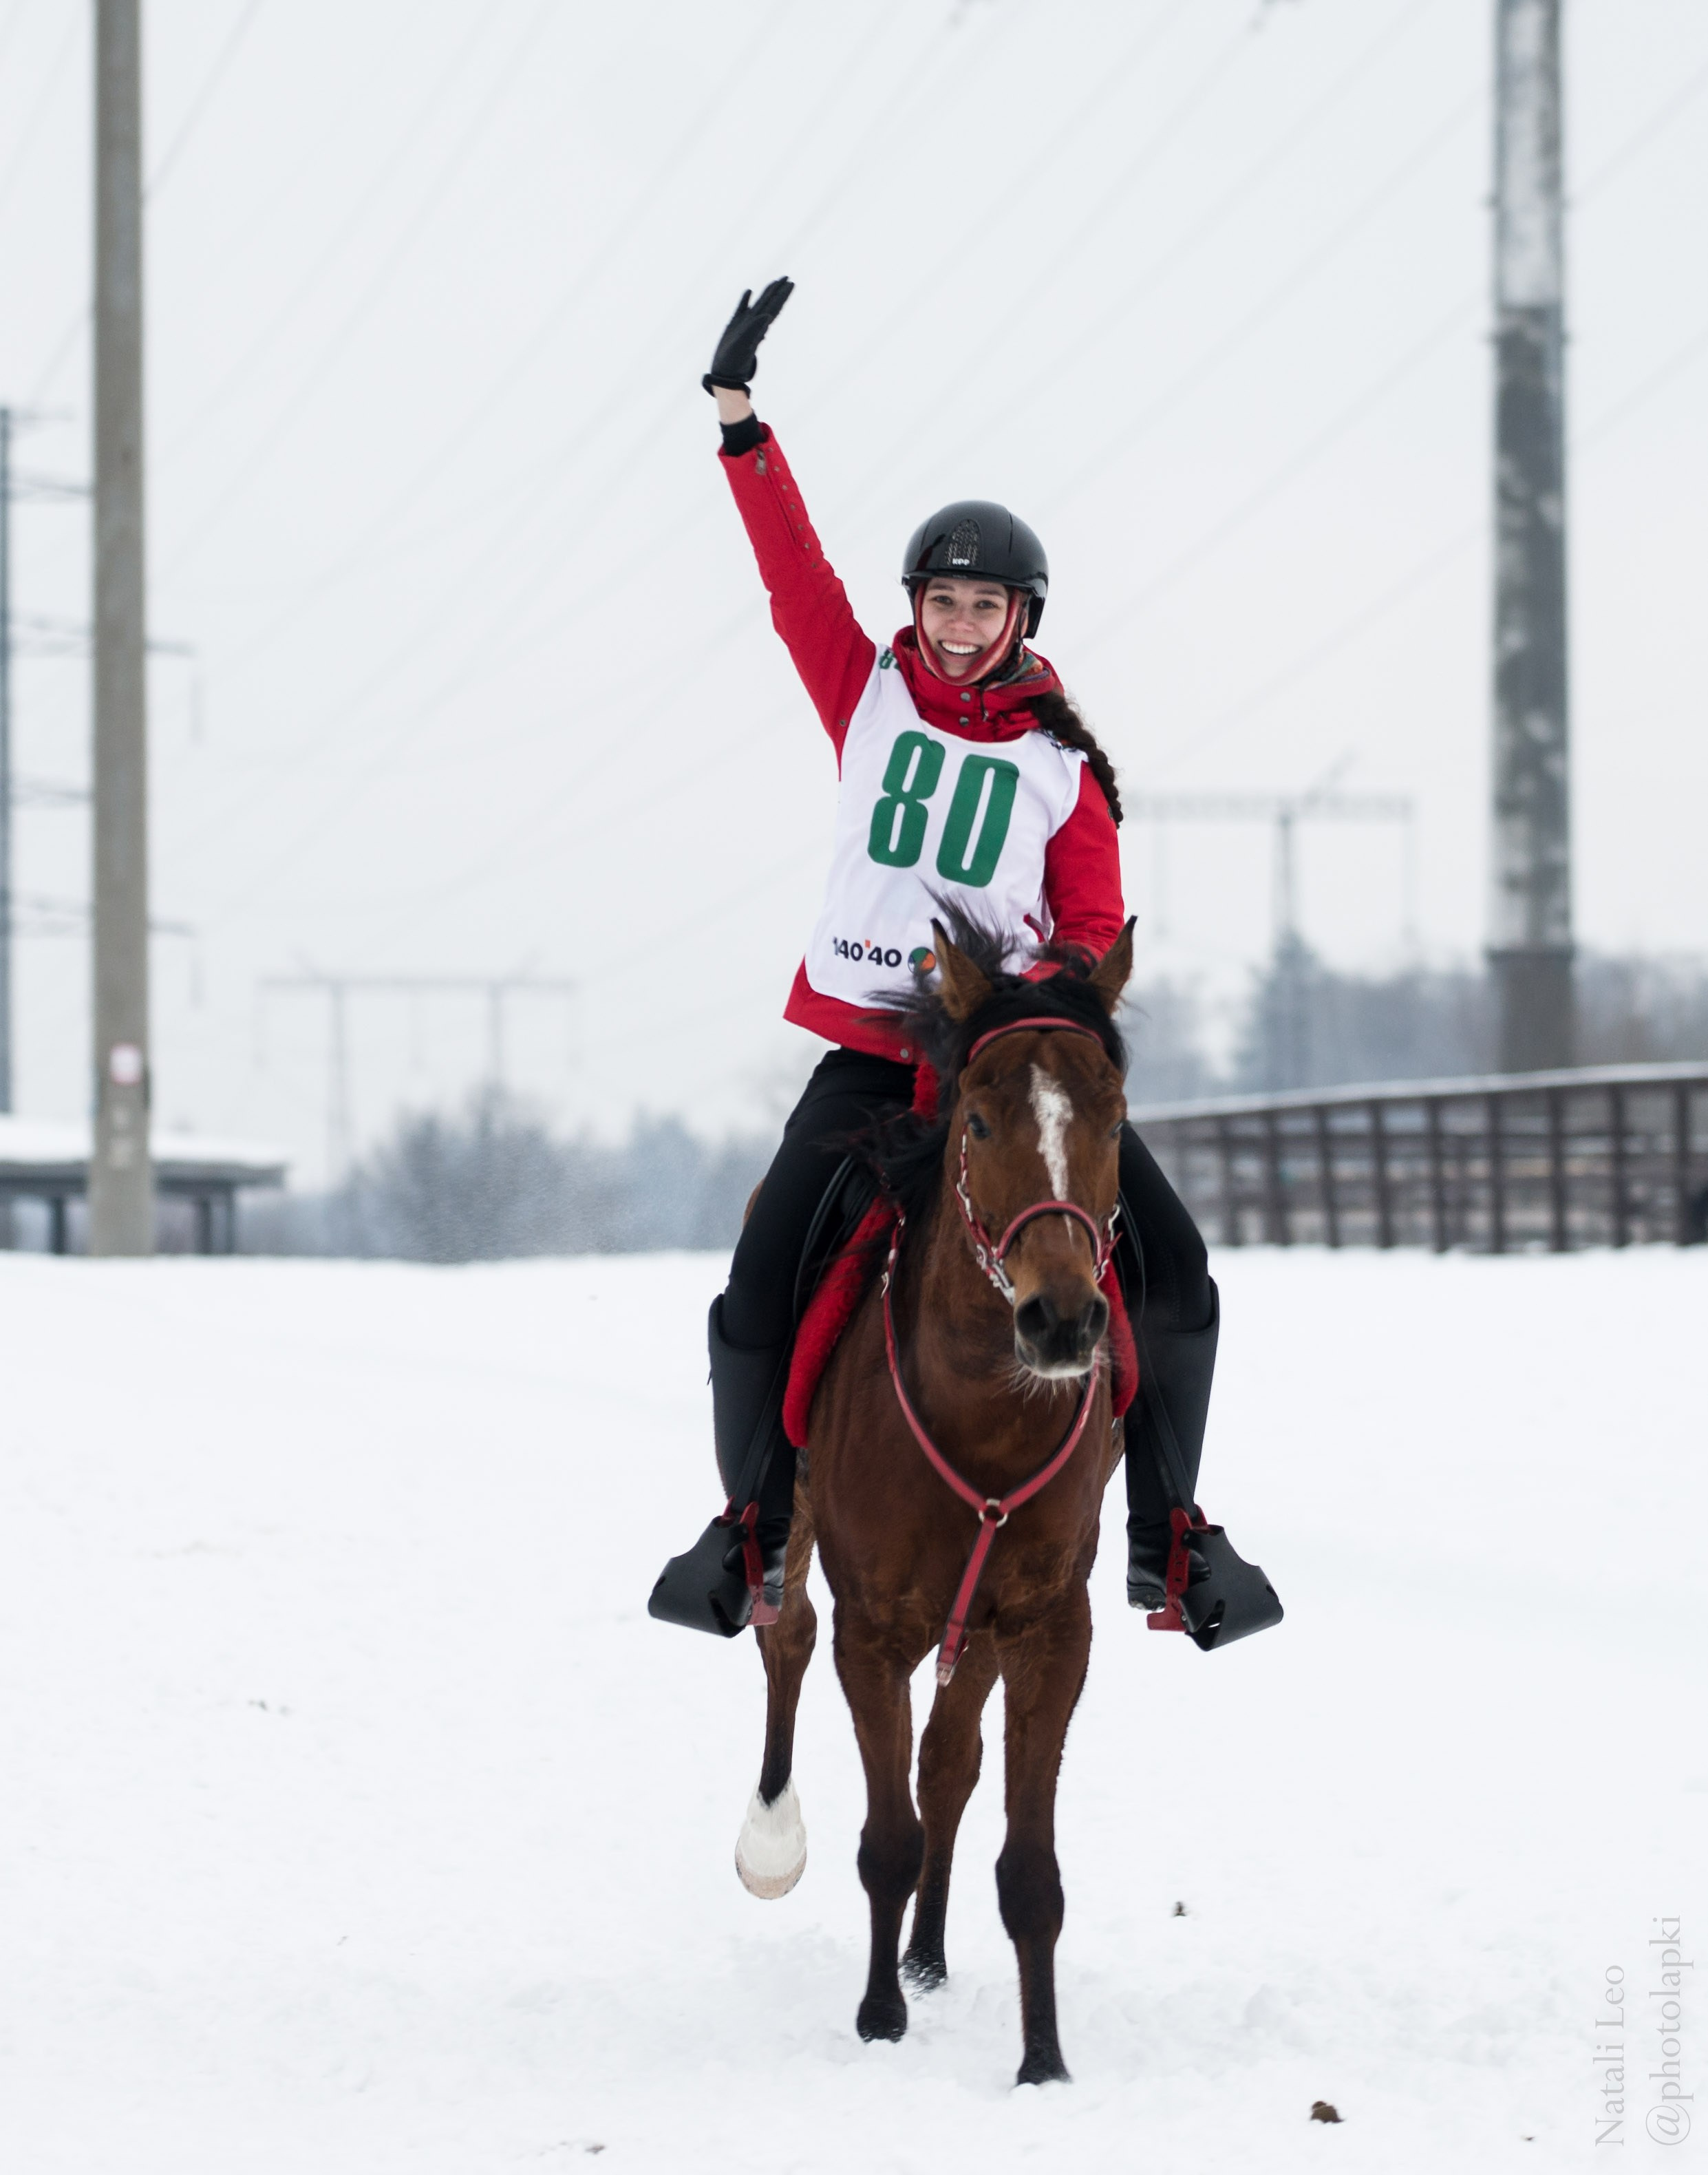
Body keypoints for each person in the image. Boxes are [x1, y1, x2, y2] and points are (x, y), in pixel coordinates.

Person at [650, 279, 1222, 1640]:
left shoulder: (1060, 763)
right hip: (867, 1058)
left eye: (983, 605)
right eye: (941, 601)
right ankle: (752, 1530)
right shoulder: (867, 691)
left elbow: (1089, 925)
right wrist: (740, 425)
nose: (958, 624)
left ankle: (1171, 1539)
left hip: (1005, 1067)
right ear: (914, 606)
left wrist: (1034, 1008)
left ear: (1020, 614)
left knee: (1178, 1272)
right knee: (756, 1289)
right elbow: (792, 577)